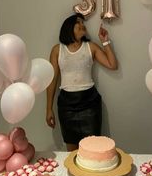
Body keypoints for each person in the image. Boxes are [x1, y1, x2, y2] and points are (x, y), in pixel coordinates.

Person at [46, 13, 118, 151]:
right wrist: (48, 109)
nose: (82, 25)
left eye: (83, 23)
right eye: (78, 23)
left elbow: (112, 65)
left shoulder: (90, 47)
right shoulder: (57, 50)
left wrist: (105, 41)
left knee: (92, 149)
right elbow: (52, 80)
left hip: (89, 102)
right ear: (68, 27)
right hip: (66, 105)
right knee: (72, 151)